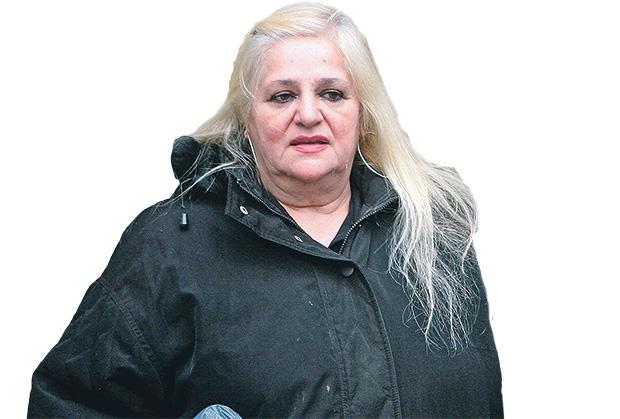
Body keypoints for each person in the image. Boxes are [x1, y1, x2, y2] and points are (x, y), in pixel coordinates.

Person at [28, 2, 503, 418]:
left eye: (332, 94)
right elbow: (68, 404)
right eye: (282, 96)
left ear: (363, 114)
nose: (309, 115)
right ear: (247, 119)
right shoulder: (171, 246)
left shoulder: (430, 232)